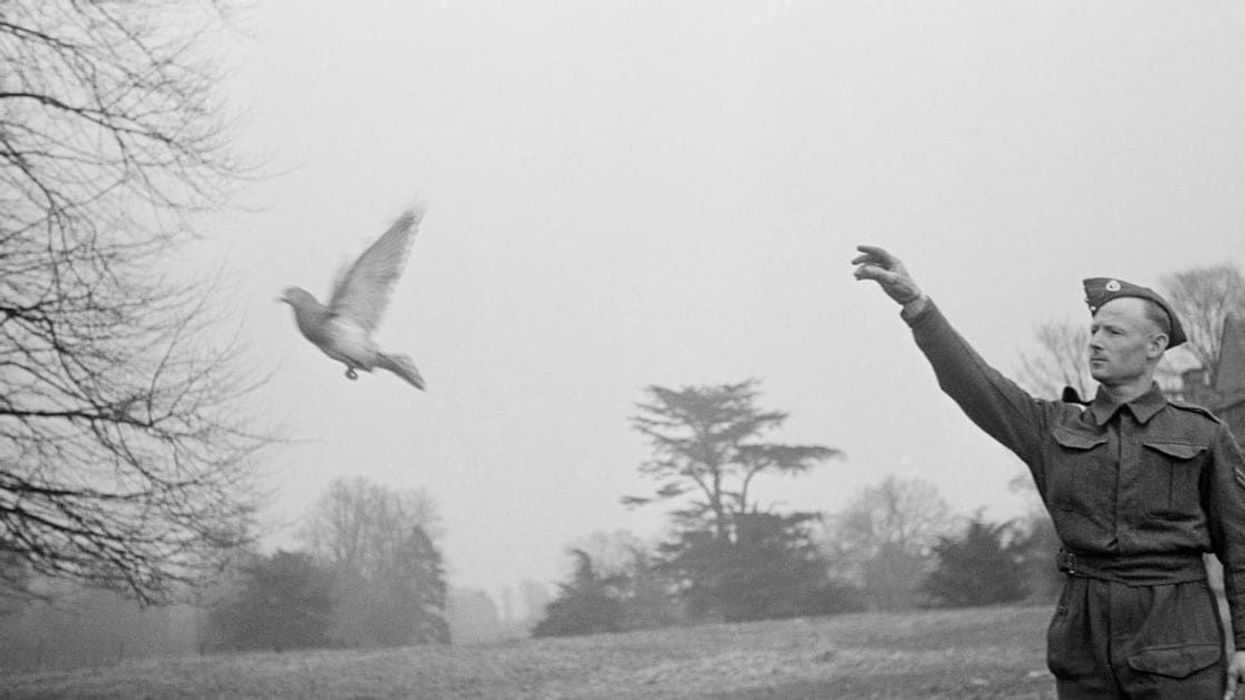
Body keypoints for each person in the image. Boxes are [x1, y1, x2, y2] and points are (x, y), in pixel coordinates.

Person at [852, 245, 1245, 699]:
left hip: (1177, 632)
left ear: (1155, 346)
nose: (1095, 341)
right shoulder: (1052, 427)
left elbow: (1240, 547)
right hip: (1084, 634)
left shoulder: (1202, 434)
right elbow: (975, 384)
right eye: (1094, 330)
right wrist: (918, 307)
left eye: (1113, 332)